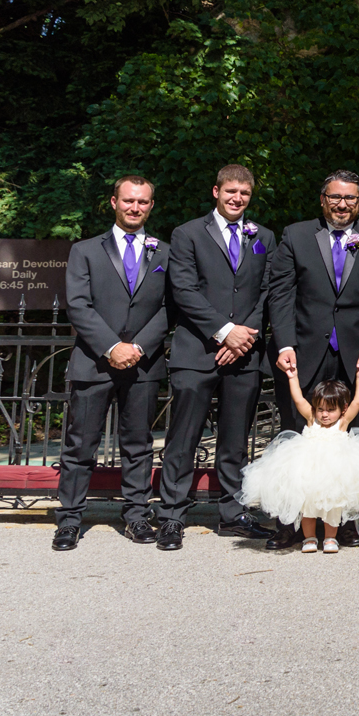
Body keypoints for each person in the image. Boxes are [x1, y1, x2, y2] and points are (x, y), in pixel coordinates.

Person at [264, 170, 359, 547]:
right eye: (335, 197)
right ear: (322, 199)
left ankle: (347, 524)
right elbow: (281, 294)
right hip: (304, 351)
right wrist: (285, 343)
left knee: (350, 441)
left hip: (356, 356)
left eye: (350, 198)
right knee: (296, 437)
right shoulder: (295, 235)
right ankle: (289, 524)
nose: (343, 205)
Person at [155, 164, 280, 550]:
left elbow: (267, 291)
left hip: (245, 354)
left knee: (235, 439)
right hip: (197, 352)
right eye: (230, 191)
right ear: (216, 191)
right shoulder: (188, 233)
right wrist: (225, 332)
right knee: (183, 436)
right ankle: (172, 515)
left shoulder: (264, 236)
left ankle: (233, 513)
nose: (237, 198)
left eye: (244, 193)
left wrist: (243, 337)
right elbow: (184, 289)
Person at [52, 174, 171, 551]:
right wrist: (111, 347)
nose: (135, 207)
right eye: (129, 200)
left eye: (143, 202)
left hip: (144, 363)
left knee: (138, 443)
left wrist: (137, 346)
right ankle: (69, 519)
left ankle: (136, 515)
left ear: (151, 206)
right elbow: (79, 305)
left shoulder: (164, 252)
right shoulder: (85, 250)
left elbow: (173, 306)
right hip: (94, 361)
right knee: (79, 445)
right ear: (114, 202)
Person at [240, 370, 359, 554]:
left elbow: (358, 401)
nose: (324, 415)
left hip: (334, 474)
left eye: (331, 410)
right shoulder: (311, 419)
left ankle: (330, 538)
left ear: (343, 409)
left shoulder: (342, 422)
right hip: (309, 472)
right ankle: (310, 538)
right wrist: (293, 377)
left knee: (333, 507)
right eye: (321, 409)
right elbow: (298, 399)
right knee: (307, 507)